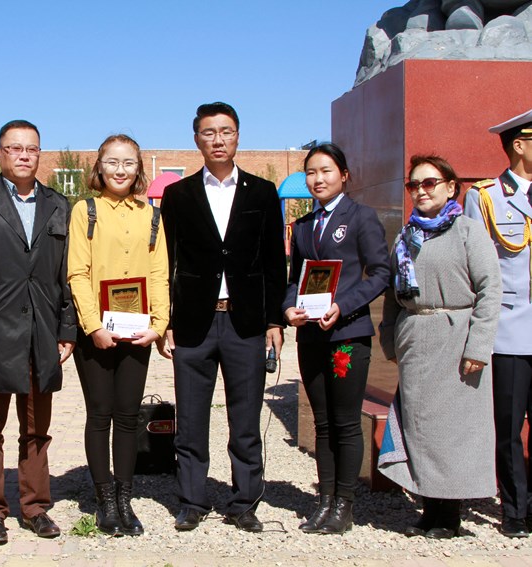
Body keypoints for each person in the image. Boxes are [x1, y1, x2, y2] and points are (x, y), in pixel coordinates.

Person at [159, 102, 286, 533]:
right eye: (209, 132)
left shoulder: (262, 192)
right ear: (197, 138)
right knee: (191, 419)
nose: (218, 139)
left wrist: (274, 321)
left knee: (245, 419)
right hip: (193, 322)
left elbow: (274, 261)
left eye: (226, 131)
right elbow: (167, 261)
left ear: (237, 136)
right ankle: (191, 500)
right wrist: (167, 320)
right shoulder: (178, 195)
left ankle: (244, 501)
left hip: (244, 322)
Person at [0, 120, 77, 545]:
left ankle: (35, 507)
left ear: (39, 154)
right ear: (0, 154)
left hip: (42, 332)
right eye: (15, 148)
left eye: (32, 149)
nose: (24, 155)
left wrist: (67, 328)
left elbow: (67, 274)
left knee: (36, 430)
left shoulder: (59, 205)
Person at [380, 155, 501, 538]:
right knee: (420, 427)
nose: (421, 190)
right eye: (413, 184)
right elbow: (392, 294)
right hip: (416, 340)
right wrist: (390, 337)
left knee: (453, 429)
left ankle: (449, 515)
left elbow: (490, 289)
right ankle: (429, 509)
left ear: (450, 187)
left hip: (456, 339)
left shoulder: (469, 232)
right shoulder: (405, 238)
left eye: (429, 183)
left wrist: (478, 346)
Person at [284, 143, 390, 534]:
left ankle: (344, 504)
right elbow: (293, 279)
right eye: (311, 172)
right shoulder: (303, 226)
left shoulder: (361, 217)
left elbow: (381, 273)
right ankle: (324, 500)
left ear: (344, 175)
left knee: (345, 422)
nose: (318, 179)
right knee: (323, 423)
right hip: (310, 335)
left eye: (326, 171)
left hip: (347, 333)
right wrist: (288, 308)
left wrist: (343, 306)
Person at [67, 134, 169, 536]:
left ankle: (126, 499)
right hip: (96, 333)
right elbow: (78, 272)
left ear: (139, 168)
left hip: (137, 330)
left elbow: (159, 273)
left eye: (128, 163)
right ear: (99, 166)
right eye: (112, 162)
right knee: (100, 414)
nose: (120, 170)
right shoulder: (85, 211)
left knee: (128, 416)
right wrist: (93, 326)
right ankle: (105, 500)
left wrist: (158, 326)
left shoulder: (152, 215)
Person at [464, 108, 532, 538]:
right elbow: (478, 265)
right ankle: (515, 509)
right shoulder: (486, 196)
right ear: (519, 146)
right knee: (508, 428)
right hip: (509, 330)